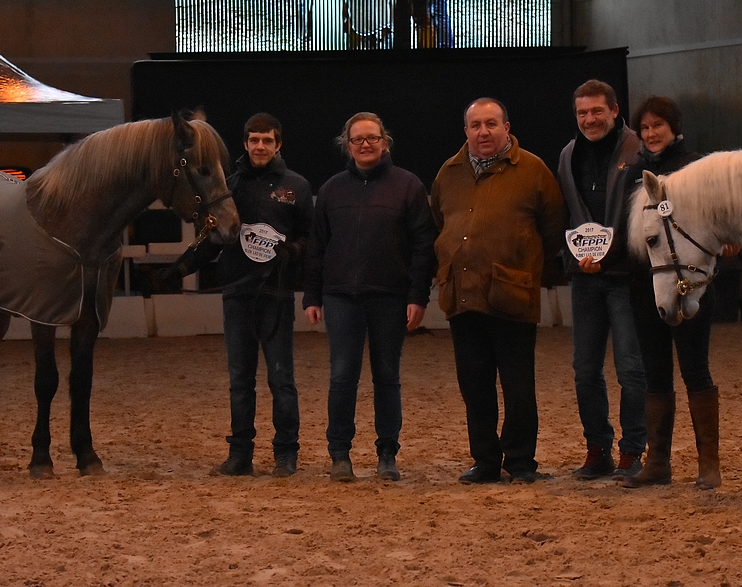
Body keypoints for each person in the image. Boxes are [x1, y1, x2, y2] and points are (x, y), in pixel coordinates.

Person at [169, 112, 314, 477]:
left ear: (278, 144)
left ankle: (286, 453)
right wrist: (180, 269)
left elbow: (312, 238)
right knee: (240, 380)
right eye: (254, 140)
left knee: (281, 378)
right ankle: (240, 454)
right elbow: (211, 238)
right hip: (237, 297)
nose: (260, 146)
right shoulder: (229, 185)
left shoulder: (297, 186)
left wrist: (293, 252)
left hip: (276, 295)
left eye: (267, 140)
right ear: (245, 144)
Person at [431, 97, 565, 485]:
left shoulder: (534, 171)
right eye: (475, 125)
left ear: (507, 127)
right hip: (463, 296)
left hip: (513, 297)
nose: (483, 132)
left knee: (518, 386)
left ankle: (521, 460)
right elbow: (440, 219)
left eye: (491, 124)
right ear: (466, 131)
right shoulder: (449, 172)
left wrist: (523, 265)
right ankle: (485, 460)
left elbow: (553, 228)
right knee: (474, 386)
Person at [303, 112, 437, 483]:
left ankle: (387, 453)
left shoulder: (408, 187)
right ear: (347, 146)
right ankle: (340, 455)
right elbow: (317, 246)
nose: (365, 144)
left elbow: (423, 247)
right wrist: (312, 295)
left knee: (387, 377)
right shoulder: (331, 190)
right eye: (358, 139)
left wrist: (417, 296)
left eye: (372, 138)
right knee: (342, 376)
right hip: (341, 298)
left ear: (385, 142)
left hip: (390, 298)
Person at [621, 96, 737, 490]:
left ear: (674, 127)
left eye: (658, 126)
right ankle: (658, 463)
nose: (651, 134)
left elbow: (722, 219)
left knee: (695, 369)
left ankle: (709, 463)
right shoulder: (633, 173)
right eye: (645, 128)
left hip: (690, 284)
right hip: (644, 286)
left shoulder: (697, 167)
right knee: (654, 374)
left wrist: (729, 242)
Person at [557, 79, 647, 481]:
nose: (589, 120)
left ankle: (632, 452)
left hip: (628, 276)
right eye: (582, 113)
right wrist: (575, 257)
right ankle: (597, 449)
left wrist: (612, 255)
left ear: (614, 110)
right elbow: (567, 213)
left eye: (596, 111)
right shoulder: (567, 156)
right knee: (585, 369)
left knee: (631, 368)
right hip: (586, 278)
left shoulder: (638, 151)